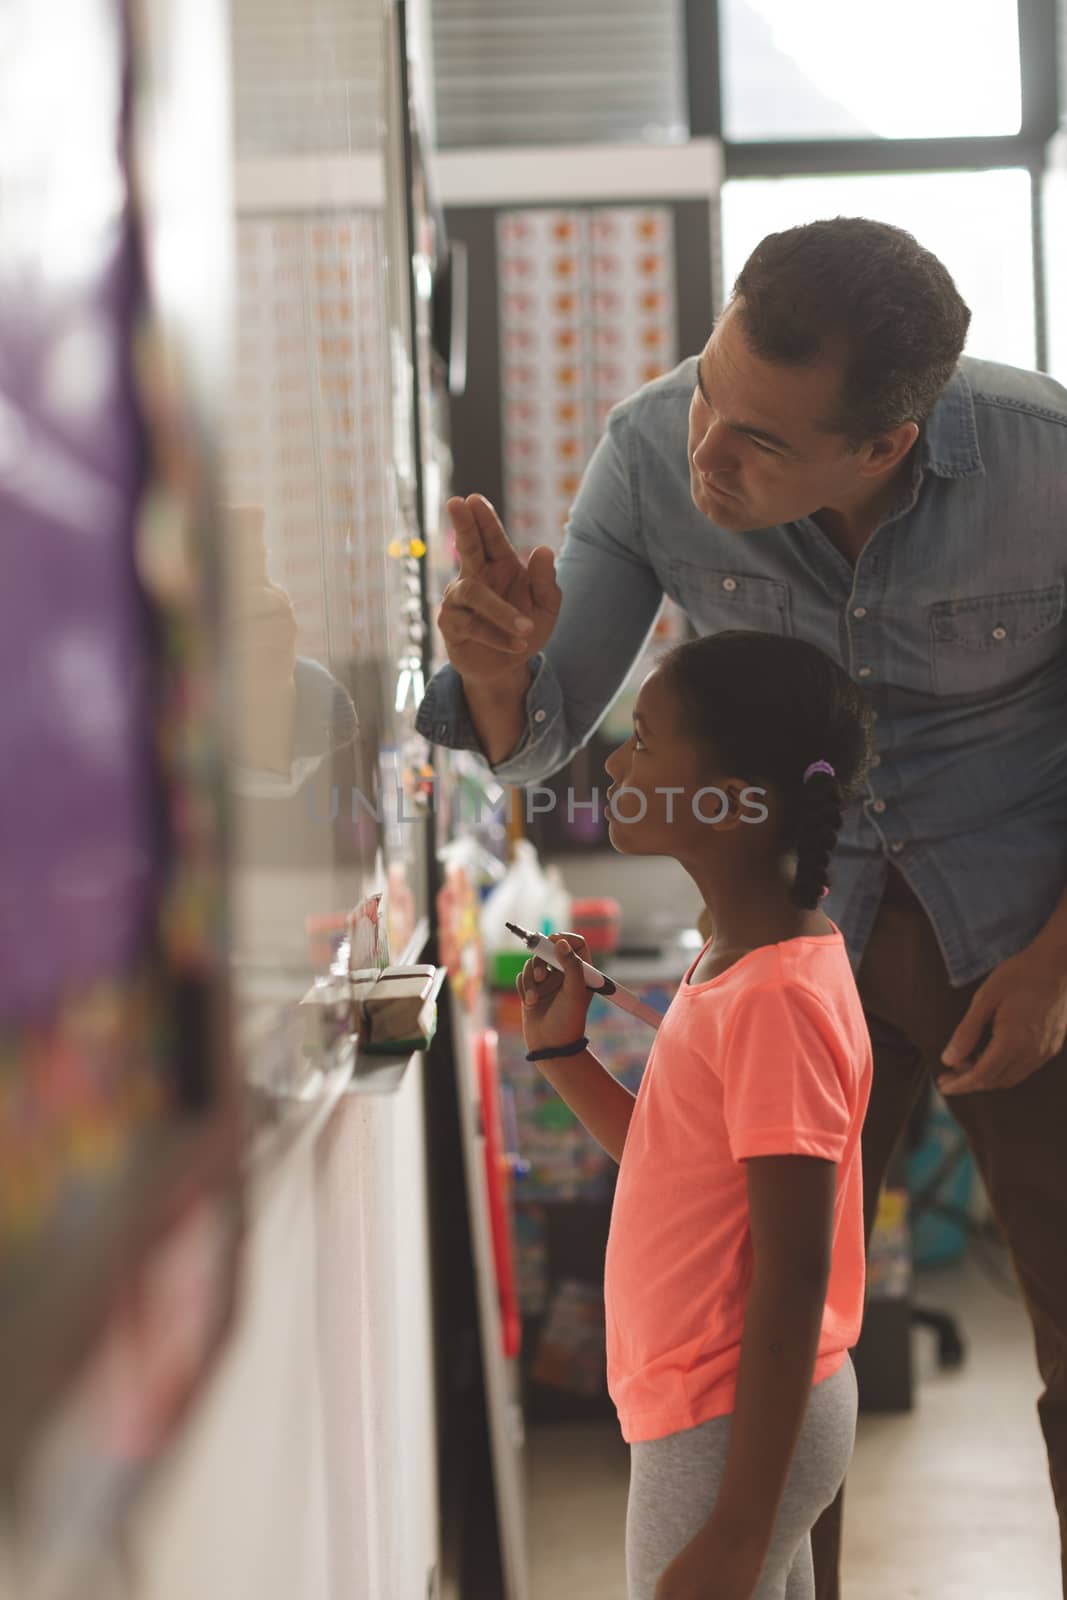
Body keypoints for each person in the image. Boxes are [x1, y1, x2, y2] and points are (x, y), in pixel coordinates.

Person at [417, 215, 1067, 1596]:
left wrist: (1061, 960)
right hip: (796, 934)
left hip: (1024, 926)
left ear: (883, 446)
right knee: (774, 1333)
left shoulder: (1043, 463)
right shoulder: (652, 443)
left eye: (760, 440)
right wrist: (494, 670)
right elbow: (537, 737)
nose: (700, 448)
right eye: (709, 388)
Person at [517, 631, 874, 1600]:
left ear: (732, 801)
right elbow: (674, 1163)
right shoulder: (736, 962)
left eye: (640, 738)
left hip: (727, 1417)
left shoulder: (772, 1000)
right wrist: (561, 1054)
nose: (614, 761)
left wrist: (737, 1526)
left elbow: (793, 1270)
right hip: (725, 1410)